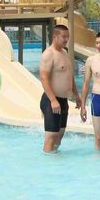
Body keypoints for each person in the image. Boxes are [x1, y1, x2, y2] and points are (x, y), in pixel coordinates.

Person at [39, 25, 82, 153]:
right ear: (55, 37)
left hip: (63, 101)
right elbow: (44, 78)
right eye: (63, 37)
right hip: (51, 100)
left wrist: (76, 95)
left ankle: (54, 158)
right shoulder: (49, 54)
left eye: (67, 37)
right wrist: (53, 100)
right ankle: (47, 160)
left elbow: (69, 76)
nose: (66, 39)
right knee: (51, 137)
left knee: (59, 137)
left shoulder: (65, 53)